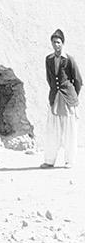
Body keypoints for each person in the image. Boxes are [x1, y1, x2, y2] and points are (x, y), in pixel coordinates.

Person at [41, 27, 81, 168]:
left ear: (63, 43)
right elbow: (49, 78)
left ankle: (70, 161)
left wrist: (72, 95)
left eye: (58, 42)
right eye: (54, 42)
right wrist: (54, 92)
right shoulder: (49, 59)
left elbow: (78, 80)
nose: (56, 45)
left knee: (70, 130)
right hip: (55, 98)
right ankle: (49, 160)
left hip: (67, 99)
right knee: (52, 129)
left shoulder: (69, 59)